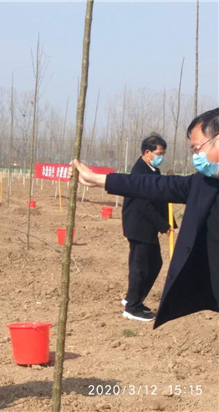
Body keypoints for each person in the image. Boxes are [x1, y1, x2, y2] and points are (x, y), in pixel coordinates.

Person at [70, 107, 219, 329]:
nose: (196, 157)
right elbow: (152, 186)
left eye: (197, 148)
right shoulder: (204, 183)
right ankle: (133, 303)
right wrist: (100, 180)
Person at [120, 133, 173, 322]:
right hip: (139, 226)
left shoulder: (153, 170)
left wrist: (168, 182)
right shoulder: (140, 172)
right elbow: (144, 204)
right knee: (141, 267)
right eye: (159, 153)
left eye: (163, 154)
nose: (161, 157)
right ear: (147, 152)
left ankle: (134, 299)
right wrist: (163, 225)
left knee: (154, 263)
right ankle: (132, 307)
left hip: (147, 227)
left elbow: (158, 196)